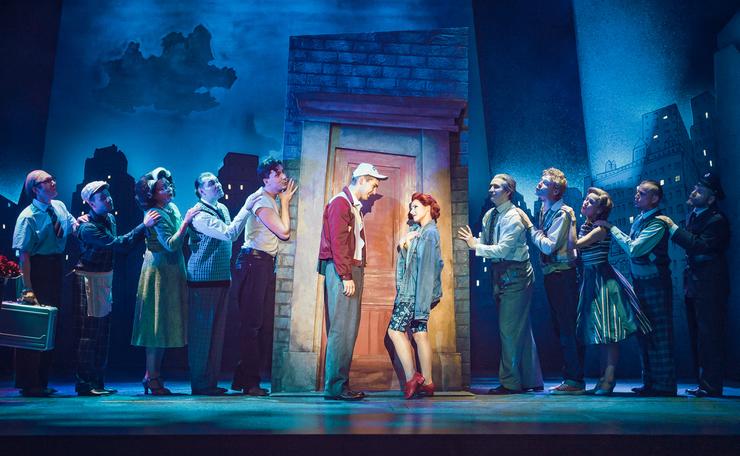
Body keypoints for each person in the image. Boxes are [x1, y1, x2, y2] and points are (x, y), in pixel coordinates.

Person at [458, 174, 543, 395]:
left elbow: (503, 249)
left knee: (509, 330)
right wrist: (476, 243)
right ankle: (530, 379)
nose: (491, 189)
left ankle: (511, 382)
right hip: (499, 273)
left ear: (508, 192)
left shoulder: (514, 217)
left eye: (496, 187)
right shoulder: (490, 215)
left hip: (516, 273)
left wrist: (475, 246)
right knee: (518, 328)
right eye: (490, 186)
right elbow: (490, 244)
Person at [73, 181, 161, 396]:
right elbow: (118, 245)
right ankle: (85, 383)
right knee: (89, 334)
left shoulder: (109, 219)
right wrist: (143, 226)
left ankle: (98, 381)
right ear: (91, 204)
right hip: (89, 279)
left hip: (104, 277)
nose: (108, 199)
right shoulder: (88, 227)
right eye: (102, 197)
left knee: (103, 334)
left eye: (108, 195)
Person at [594, 180, 676, 397]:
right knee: (645, 334)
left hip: (655, 283)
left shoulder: (658, 223)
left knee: (659, 334)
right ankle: (650, 382)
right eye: (637, 192)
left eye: (642, 193)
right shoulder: (641, 219)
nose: (636, 196)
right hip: (641, 282)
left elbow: (634, 249)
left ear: (655, 198)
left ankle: (664, 385)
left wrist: (612, 228)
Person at [656, 172, 730, 397]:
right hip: (694, 283)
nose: (694, 192)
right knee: (697, 334)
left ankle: (711, 384)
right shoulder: (694, 216)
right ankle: (703, 382)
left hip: (710, 284)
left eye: (701, 190)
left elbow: (699, 245)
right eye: (695, 187)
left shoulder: (716, 220)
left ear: (711, 198)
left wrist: (673, 228)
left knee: (709, 334)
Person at [571, 188, 650, 395]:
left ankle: (609, 378)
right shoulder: (588, 226)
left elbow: (575, 244)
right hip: (591, 279)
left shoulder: (600, 229)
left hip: (603, 281)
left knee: (609, 333)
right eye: (586, 199)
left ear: (600, 210)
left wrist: (569, 221)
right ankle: (603, 378)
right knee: (601, 333)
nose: (585, 202)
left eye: (591, 202)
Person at [318, 163, 387, 401]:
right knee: (342, 329)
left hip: (349, 269)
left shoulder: (351, 205)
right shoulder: (340, 203)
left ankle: (340, 385)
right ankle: (335, 388)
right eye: (373, 185)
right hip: (343, 271)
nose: (374, 191)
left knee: (347, 330)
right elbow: (338, 242)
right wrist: (346, 275)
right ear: (362, 179)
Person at [186, 172, 258, 396]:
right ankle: (200, 383)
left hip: (220, 278)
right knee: (202, 335)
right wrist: (246, 208)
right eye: (211, 183)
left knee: (216, 335)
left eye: (216, 181)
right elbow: (229, 234)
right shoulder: (199, 214)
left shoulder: (223, 208)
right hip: (202, 280)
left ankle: (210, 382)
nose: (217, 184)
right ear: (200, 190)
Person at [232, 158, 296, 396]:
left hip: (262, 263)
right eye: (277, 174)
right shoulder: (261, 199)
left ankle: (243, 378)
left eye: (282, 173)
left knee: (256, 324)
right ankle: (250, 383)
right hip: (254, 263)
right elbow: (284, 233)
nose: (283, 177)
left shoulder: (269, 199)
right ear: (265, 178)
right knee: (251, 325)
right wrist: (286, 202)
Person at [131, 167, 199, 395]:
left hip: (172, 269)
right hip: (159, 272)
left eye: (168, 185)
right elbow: (171, 243)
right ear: (152, 194)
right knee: (155, 325)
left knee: (163, 326)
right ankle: (152, 377)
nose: (168, 189)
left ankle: (152, 374)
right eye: (162, 188)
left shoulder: (171, 208)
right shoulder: (155, 214)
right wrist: (186, 222)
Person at [12, 170, 78, 397]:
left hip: (56, 267)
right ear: (35, 189)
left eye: (53, 179)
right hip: (37, 270)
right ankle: (28, 382)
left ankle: (41, 380)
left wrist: (82, 222)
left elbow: (72, 224)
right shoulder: (27, 217)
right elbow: (24, 256)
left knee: (51, 325)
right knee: (33, 326)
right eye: (47, 181)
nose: (53, 183)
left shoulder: (59, 206)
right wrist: (27, 288)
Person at [520, 168, 584, 395]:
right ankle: (571, 377)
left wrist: (532, 231)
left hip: (562, 275)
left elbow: (549, 246)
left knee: (567, 327)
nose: (539, 185)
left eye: (544, 183)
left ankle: (575, 380)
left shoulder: (563, 213)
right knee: (560, 327)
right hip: (552, 274)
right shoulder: (546, 210)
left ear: (555, 190)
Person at [388, 193, 444, 399]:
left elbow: (427, 270)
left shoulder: (429, 234)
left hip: (414, 293)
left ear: (428, 208)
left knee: (395, 331)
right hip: (415, 292)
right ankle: (428, 383)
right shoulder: (419, 232)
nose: (412, 211)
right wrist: (405, 242)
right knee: (420, 334)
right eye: (411, 208)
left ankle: (413, 377)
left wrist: (421, 304)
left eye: (416, 207)